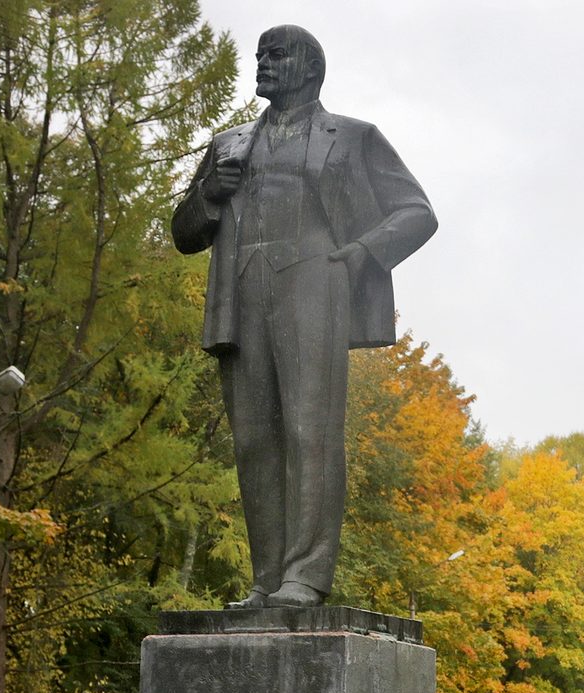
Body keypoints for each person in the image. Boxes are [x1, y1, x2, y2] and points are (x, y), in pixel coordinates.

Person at [172, 25, 437, 609]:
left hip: (316, 284)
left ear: (311, 68)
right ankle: (267, 580)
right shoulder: (228, 145)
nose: (262, 62)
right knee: (254, 441)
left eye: (277, 54)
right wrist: (208, 194)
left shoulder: (354, 137)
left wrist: (361, 256)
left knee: (308, 431)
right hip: (242, 295)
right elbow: (185, 233)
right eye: (259, 54)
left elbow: (417, 212)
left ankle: (306, 576)